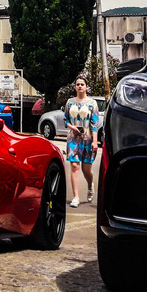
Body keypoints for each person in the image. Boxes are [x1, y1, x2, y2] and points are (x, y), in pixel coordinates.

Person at [63, 76, 100, 208]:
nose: (79, 86)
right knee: (74, 166)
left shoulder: (92, 103)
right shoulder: (70, 102)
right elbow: (65, 119)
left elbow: (94, 124)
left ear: (86, 87)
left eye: (82, 84)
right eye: (77, 84)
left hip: (88, 139)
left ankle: (90, 185)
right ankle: (76, 197)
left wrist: (95, 142)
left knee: (86, 170)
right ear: (75, 87)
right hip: (73, 139)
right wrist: (71, 127)